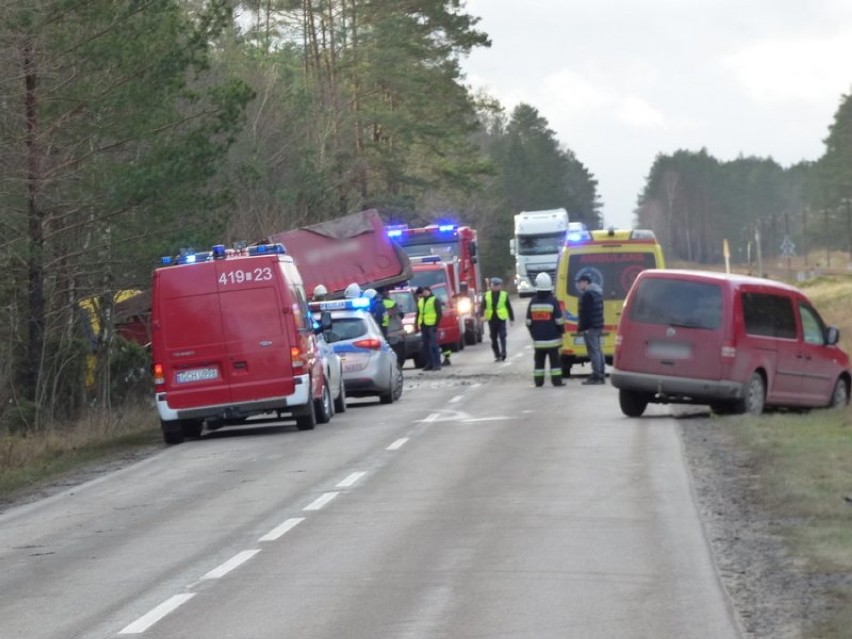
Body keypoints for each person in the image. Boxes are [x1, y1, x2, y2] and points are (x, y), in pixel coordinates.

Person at [525, 273, 565, 387]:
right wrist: (561, 332)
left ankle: (538, 382)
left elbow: (528, 322)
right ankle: (557, 382)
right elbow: (559, 321)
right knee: (555, 363)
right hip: (553, 340)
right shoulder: (553, 301)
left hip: (538, 341)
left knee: (538, 363)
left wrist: (534, 334)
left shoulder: (533, 302)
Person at [576, 273, 605, 384]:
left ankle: (596, 375)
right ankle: (600, 374)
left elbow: (585, 314)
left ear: (586, 283)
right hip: (597, 325)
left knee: (593, 351)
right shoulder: (597, 293)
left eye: (580, 282)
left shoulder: (587, 295)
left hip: (590, 327)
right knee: (598, 350)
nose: (579, 285)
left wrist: (582, 327)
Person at [483, 276, 514, 361]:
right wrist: (482, 316)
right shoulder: (487, 295)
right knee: (493, 338)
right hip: (492, 319)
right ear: (491, 285)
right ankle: (497, 354)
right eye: (494, 285)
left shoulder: (504, 295)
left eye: (498, 285)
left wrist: (511, 319)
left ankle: (503, 352)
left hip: (501, 319)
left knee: (502, 336)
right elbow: (483, 306)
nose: (496, 287)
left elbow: (509, 307)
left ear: (500, 286)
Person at [415, 285, 443, 371]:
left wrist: (435, 325)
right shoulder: (421, 301)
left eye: (424, 291)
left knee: (433, 345)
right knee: (426, 346)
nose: (422, 293)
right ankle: (429, 363)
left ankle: (437, 364)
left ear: (428, 291)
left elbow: (439, 313)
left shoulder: (435, 300)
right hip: (423, 325)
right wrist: (416, 323)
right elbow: (418, 313)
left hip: (431, 325)